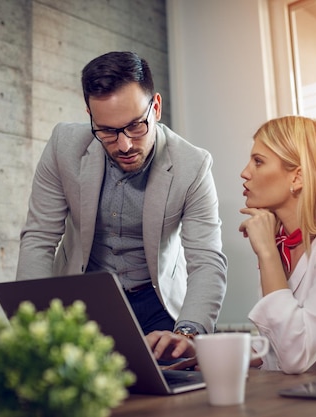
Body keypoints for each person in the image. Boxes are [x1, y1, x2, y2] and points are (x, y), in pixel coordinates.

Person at [147, 115, 316, 374]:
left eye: (258, 162)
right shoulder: (281, 239)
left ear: (297, 178)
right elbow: (278, 346)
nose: (245, 172)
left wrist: (268, 253)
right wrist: (202, 352)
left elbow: (296, 357)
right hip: (288, 395)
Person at [15, 51, 227, 338]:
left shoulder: (193, 166)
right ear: (90, 116)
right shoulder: (63, 145)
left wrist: (188, 332)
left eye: (136, 126)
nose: (125, 145)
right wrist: (31, 324)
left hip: (158, 306)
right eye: (107, 131)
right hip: (82, 301)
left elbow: (206, 260)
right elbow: (39, 237)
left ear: (157, 108)